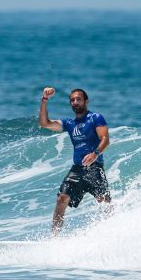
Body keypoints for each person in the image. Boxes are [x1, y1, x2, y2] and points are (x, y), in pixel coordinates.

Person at [38, 87, 111, 235]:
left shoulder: (96, 118)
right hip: (77, 169)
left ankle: (112, 231)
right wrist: (44, 100)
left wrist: (95, 154)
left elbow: (105, 139)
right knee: (61, 199)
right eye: (72, 100)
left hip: (94, 167)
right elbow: (44, 123)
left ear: (86, 101)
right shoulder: (69, 124)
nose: (75, 102)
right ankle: (55, 238)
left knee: (104, 202)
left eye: (78, 99)